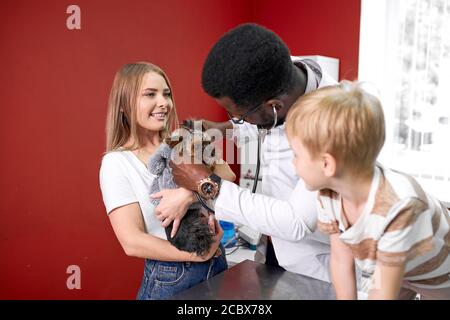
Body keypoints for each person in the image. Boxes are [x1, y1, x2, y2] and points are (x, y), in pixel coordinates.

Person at [153, 23, 336, 283]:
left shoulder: (335, 127)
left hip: (319, 267)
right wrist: (222, 128)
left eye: (239, 115)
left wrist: (204, 184)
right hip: (275, 249)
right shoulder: (279, 72)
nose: (237, 122)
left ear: (275, 106)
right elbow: (259, 122)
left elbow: (296, 221)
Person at [285, 81, 450, 300]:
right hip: (394, 266)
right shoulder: (329, 194)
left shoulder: (398, 206)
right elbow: (341, 261)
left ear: (327, 164)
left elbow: (382, 291)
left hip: (437, 274)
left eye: (296, 154)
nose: (292, 162)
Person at [99, 62, 227, 300]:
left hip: (217, 263)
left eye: (166, 94)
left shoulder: (181, 142)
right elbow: (132, 241)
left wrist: (188, 194)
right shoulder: (116, 163)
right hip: (173, 276)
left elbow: (228, 175)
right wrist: (197, 255)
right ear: (125, 104)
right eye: (150, 94)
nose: (164, 103)